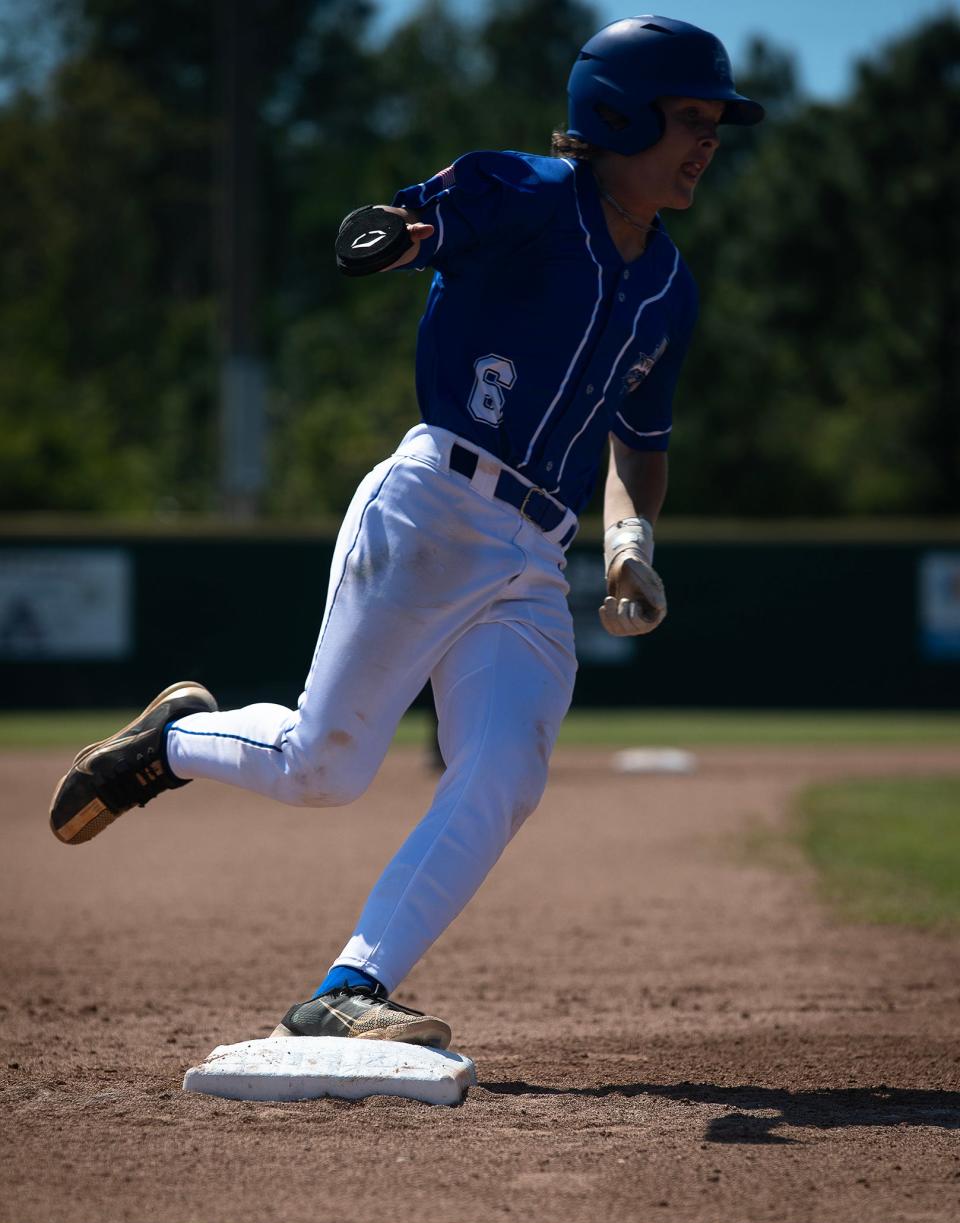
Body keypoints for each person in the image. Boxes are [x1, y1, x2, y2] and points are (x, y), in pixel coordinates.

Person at [49, 16, 763, 1050]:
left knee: (508, 768)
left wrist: (630, 548)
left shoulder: (670, 288)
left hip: (535, 555)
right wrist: (395, 237)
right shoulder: (521, 194)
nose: (705, 143)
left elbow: (638, 443)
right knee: (324, 766)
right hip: (435, 509)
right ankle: (168, 743)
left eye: (715, 125)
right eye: (687, 119)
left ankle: (352, 984)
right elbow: (396, 227)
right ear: (613, 115)